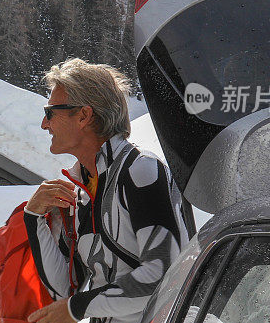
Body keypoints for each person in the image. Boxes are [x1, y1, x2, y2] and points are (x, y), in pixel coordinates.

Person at [24, 58, 190, 323]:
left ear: (83, 115)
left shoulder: (141, 170)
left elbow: (164, 275)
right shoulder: (80, 189)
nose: (45, 124)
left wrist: (76, 308)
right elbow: (65, 289)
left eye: (50, 112)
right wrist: (32, 217)